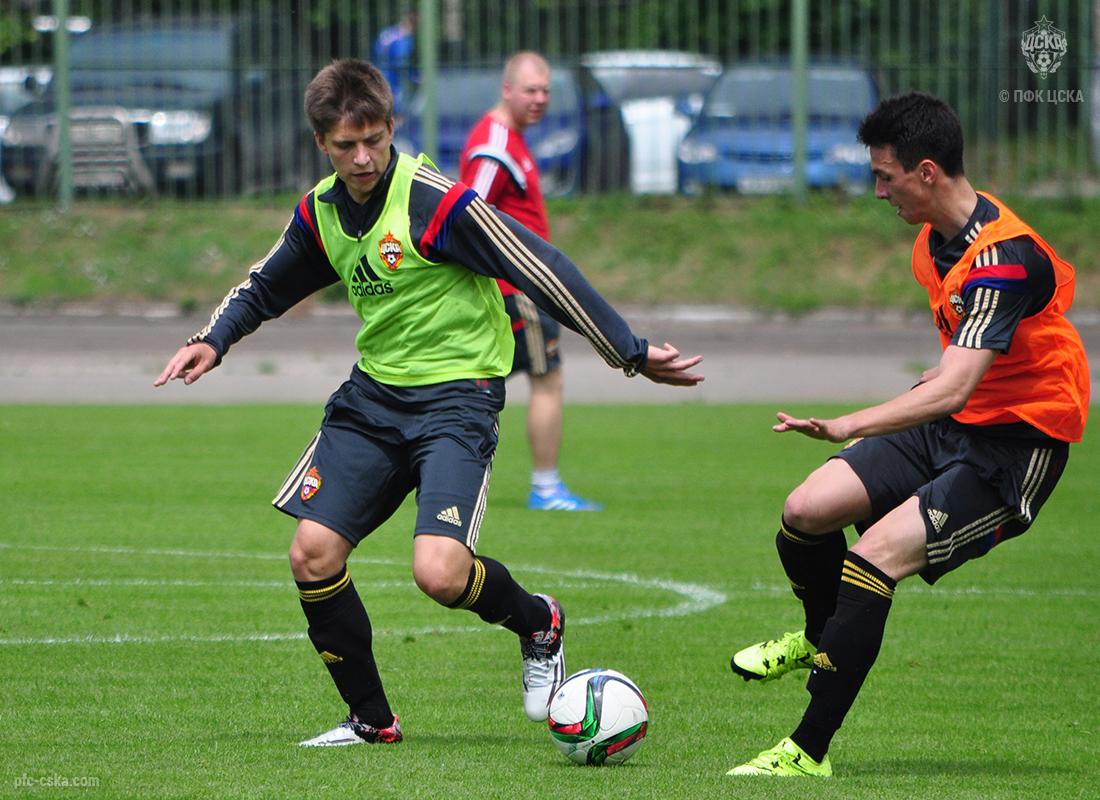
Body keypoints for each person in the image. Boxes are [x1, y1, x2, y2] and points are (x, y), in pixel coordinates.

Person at [154, 58, 703, 747]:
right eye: (345, 145)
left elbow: (540, 266)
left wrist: (629, 351)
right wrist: (214, 339)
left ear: (392, 128)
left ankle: (539, 623)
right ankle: (371, 721)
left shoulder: (434, 202)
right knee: (312, 554)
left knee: (439, 575)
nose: (362, 158)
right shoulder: (322, 211)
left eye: (374, 140)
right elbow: (265, 285)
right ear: (321, 142)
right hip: (373, 399)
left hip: (457, 400)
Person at [726, 91, 1089, 777]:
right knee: (805, 511)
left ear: (926, 172)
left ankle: (806, 752)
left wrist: (849, 423)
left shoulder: (1005, 259)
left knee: (874, 556)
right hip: (953, 422)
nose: (877, 191)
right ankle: (819, 638)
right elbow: (960, 368)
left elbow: (955, 386)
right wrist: (942, 377)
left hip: (1018, 445)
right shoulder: (933, 244)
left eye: (884, 176)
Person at [459, 51, 599, 511]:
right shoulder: (496, 144)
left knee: (476, 383)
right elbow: (468, 214)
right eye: (530, 90)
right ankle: (546, 488)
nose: (540, 99)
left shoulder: (508, 137)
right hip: (519, 288)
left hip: (518, 285)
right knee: (546, 379)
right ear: (507, 90)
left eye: (545, 91)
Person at [371, 8, 418, 114]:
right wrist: (415, 76)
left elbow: (375, 49)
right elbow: (402, 63)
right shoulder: (404, 40)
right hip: (392, 80)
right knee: (395, 113)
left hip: (377, 75)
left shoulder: (388, 33)